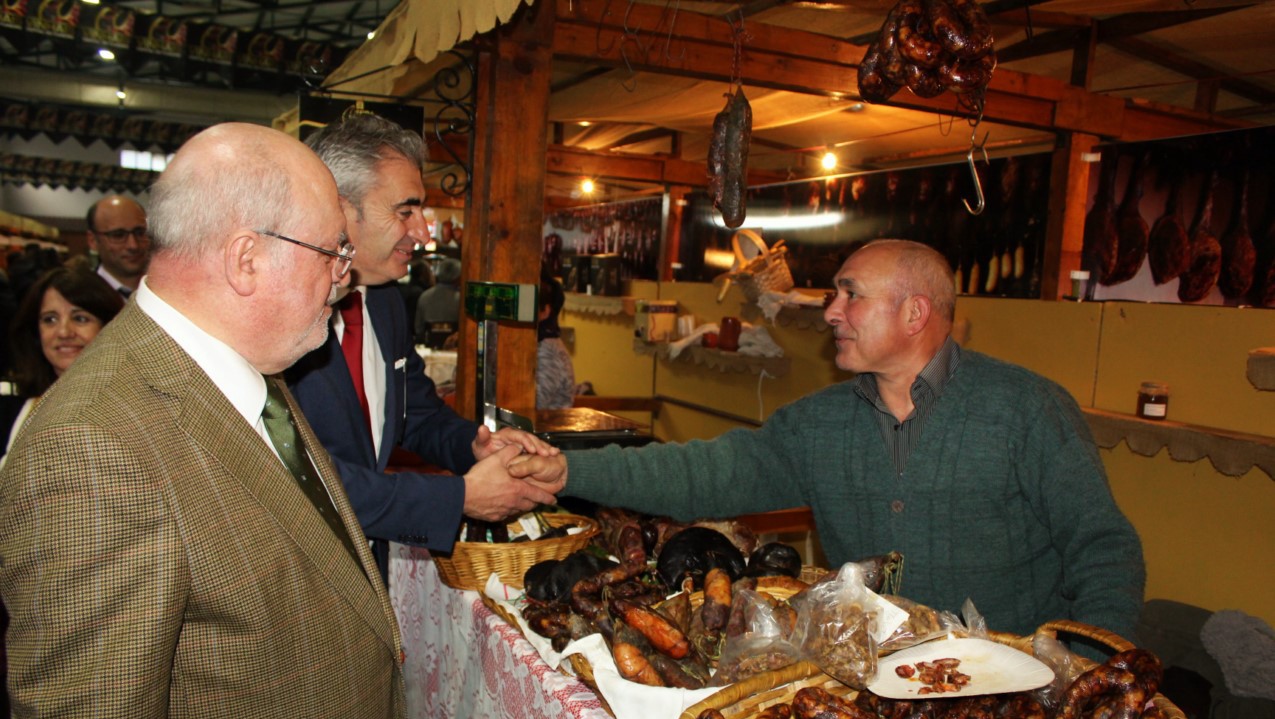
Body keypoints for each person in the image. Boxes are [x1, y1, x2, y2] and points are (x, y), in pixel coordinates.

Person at [0, 123, 411, 719]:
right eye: (332, 253)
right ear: (247, 259)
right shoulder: (94, 446)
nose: (344, 278)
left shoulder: (246, 372)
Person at [518, 239, 1145, 643]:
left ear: (914, 313)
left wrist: (1085, 666)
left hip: (1007, 700)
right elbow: (701, 473)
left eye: (852, 294)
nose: (831, 310)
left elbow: (1104, 548)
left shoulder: (1026, 409)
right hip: (870, 684)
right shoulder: (819, 425)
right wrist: (563, 472)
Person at [288, 112, 562, 576]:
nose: (423, 232)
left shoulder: (386, 302)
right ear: (338, 207)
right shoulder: (280, 316)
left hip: (367, 574)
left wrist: (476, 448)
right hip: (296, 579)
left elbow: (415, 413)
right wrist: (459, 499)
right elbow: (297, 478)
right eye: (405, 211)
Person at [3, 260, 124, 463]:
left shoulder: (135, 411)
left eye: (80, 318)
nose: (64, 332)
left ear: (109, 328)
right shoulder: (9, 411)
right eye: (50, 319)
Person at [85, 194, 150, 298]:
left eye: (140, 232)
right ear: (93, 241)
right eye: (118, 235)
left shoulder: (169, 291)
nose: (133, 245)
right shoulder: (82, 297)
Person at [536, 269, 576, 410]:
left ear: (545, 311)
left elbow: (536, 401)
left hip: (548, 429)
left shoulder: (548, 348)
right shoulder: (538, 342)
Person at [413, 255, 461, 348]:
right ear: (458, 277)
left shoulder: (424, 296)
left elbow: (418, 328)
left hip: (428, 345)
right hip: (454, 346)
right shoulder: (461, 299)